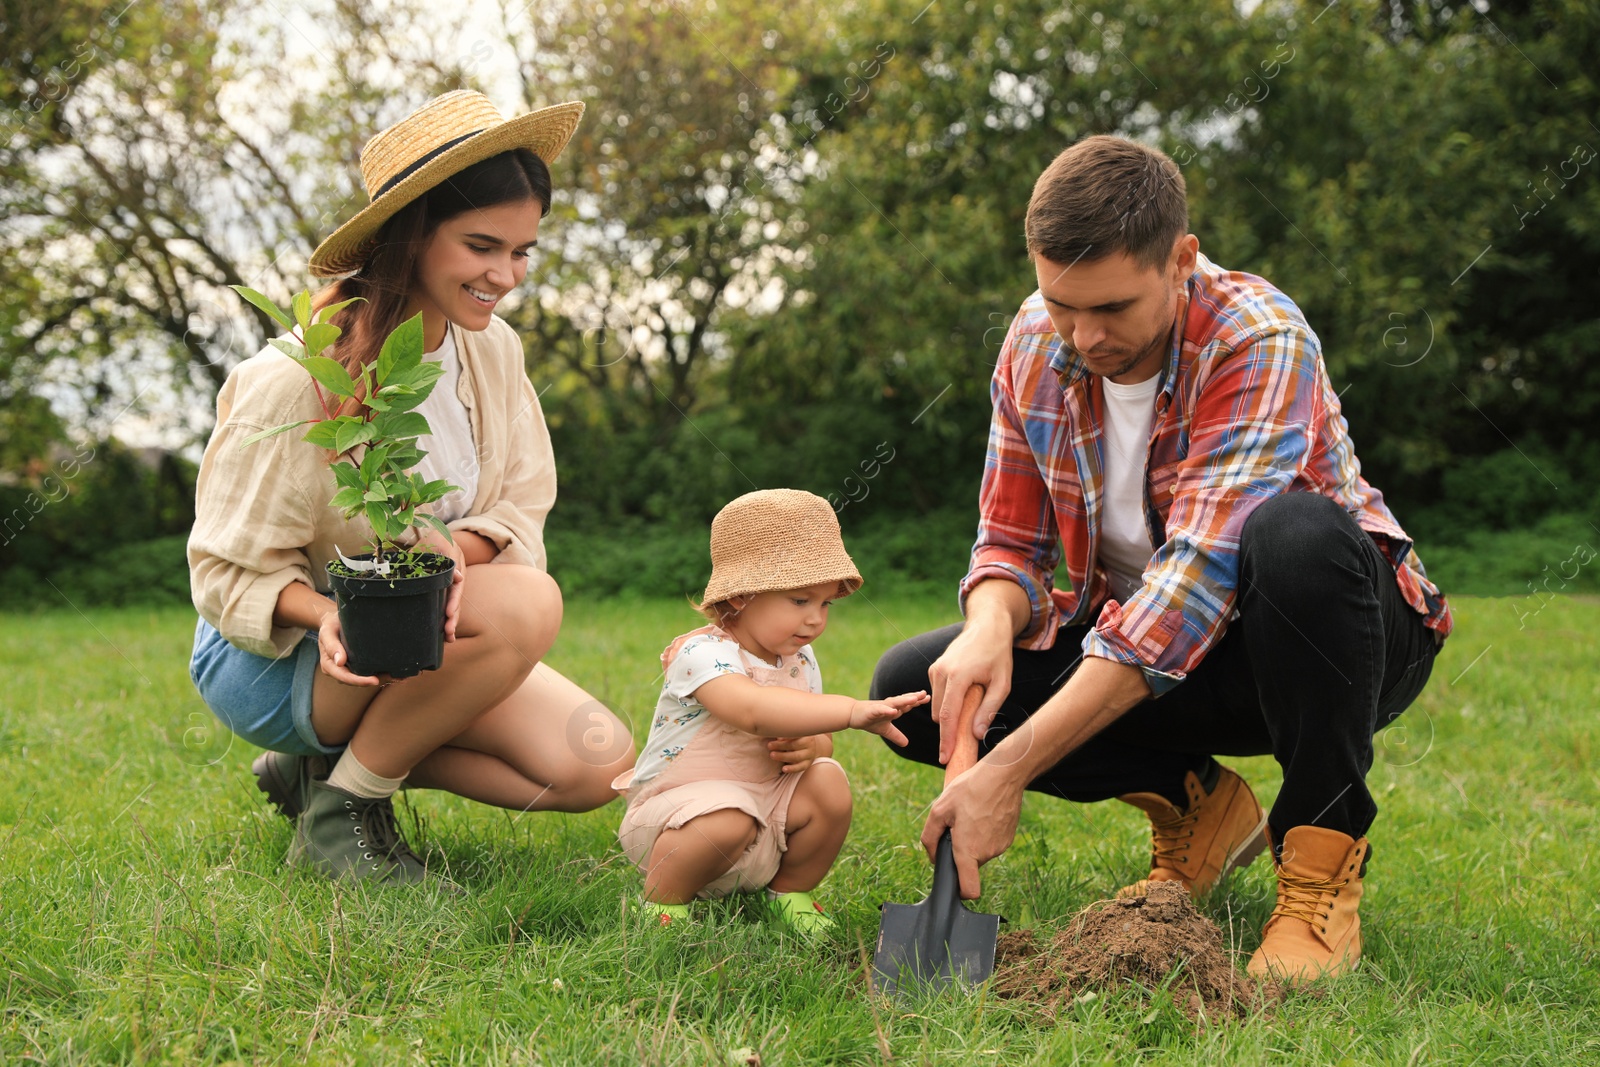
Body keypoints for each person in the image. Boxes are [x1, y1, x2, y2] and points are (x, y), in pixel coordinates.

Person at [870, 135, 1453, 984]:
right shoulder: (1038, 343)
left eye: (1112, 308)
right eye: (1062, 303)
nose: (1084, 336)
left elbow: (1194, 588)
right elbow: (1012, 540)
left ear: (1181, 258)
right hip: (1164, 663)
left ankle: (1319, 865)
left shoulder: (1258, 339)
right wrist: (989, 625)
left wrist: (1008, 767)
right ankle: (1200, 806)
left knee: (1297, 535)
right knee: (918, 685)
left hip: (1325, 644)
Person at [188, 90, 634, 885]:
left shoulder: (492, 352)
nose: (506, 275)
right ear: (414, 235)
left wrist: (441, 548)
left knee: (595, 765)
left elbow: (522, 503)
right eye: (482, 245)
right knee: (529, 600)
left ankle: (325, 775)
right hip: (286, 656)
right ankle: (343, 814)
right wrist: (329, 611)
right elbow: (224, 573)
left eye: (524, 250)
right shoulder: (292, 381)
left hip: (432, 634)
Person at [612, 489, 928, 932]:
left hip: (766, 818)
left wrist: (812, 744)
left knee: (828, 781)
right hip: (677, 824)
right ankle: (665, 903)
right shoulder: (702, 653)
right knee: (728, 816)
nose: (816, 619)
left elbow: (818, 738)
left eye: (826, 603)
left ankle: (790, 891)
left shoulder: (799, 660)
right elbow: (754, 711)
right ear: (740, 596)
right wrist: (853, 711)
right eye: (800, 601)